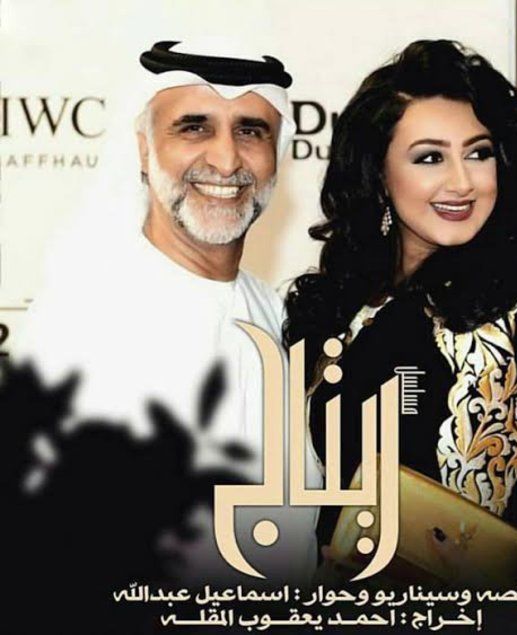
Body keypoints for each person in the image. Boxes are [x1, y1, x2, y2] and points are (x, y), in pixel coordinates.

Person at [284, 39, 517, 596]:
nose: (462, 182)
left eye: (479, 153)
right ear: (379, 172)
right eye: (430, 157)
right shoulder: (328, 306)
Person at [12, 39, 321, 586]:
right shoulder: (78, 321)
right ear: (143, 149)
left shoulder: (276, 314)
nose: (226, 159)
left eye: (251, 131)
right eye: (194, 127)